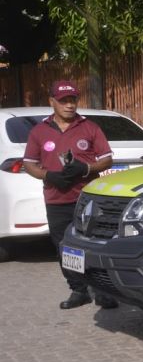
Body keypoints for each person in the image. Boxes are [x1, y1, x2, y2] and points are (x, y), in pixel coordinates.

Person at [23, 80, 117, 310]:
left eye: (72, 100)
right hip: (56, 199)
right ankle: (78, 290)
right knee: (65, 247)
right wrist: (49, 175)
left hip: (87, 198)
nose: (69, 105)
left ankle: (103, 290)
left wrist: (86, 168)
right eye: (63, 100)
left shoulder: (90, 127)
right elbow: (29, 164)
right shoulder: (39, 131)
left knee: (94, 244)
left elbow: (107, 159)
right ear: (52, 102)